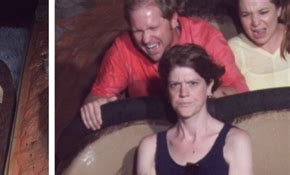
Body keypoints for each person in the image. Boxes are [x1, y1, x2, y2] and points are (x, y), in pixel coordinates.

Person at [80, 0, 248, 130]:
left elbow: (240, 95)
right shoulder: (123, 48)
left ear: (173, 19)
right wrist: (94, 105)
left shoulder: (206, 37)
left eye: (153, 28)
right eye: (137, 31)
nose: (146, 39)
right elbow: (97, 96)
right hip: (149, 132)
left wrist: (203, 94)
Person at [135, 44, 255, 175]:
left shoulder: (236, 140)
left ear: (208, 87)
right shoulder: (150, 146)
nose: (183, 93)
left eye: (192, 83)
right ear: (167, 92)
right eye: (175, 85)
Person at [229, 0, 289, 90]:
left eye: (263, 12)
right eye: (246, 15)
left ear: (278, 10)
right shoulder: (232, 50)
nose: (255, 22)